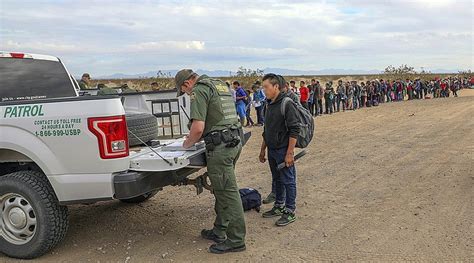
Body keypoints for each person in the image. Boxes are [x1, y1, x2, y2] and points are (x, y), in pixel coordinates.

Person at [175, 69, 246, 254]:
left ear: (187, 83)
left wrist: (187, 143)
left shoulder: (199, 90)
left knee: (227, 192)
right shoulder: (218, 84)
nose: (187, 94)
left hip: (221, 148)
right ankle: (219, 230)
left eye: (184, 91)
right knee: (222, 190)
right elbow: (217, 118)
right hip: (234, 141)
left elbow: (198, 128)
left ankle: (236, 240)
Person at [259, 73, 300, 226]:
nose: (264, 90)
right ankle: (279, 206)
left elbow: (294, 130)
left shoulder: (287, 103)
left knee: (288, 181)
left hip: (283, 150)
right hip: (272, 150)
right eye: (263, 87)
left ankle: (290, 211)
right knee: (277, 179)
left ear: (276, 87)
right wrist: (263, 150)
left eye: (266, 87)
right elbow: (267, 129)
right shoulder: (268, 104)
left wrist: (290, 153)